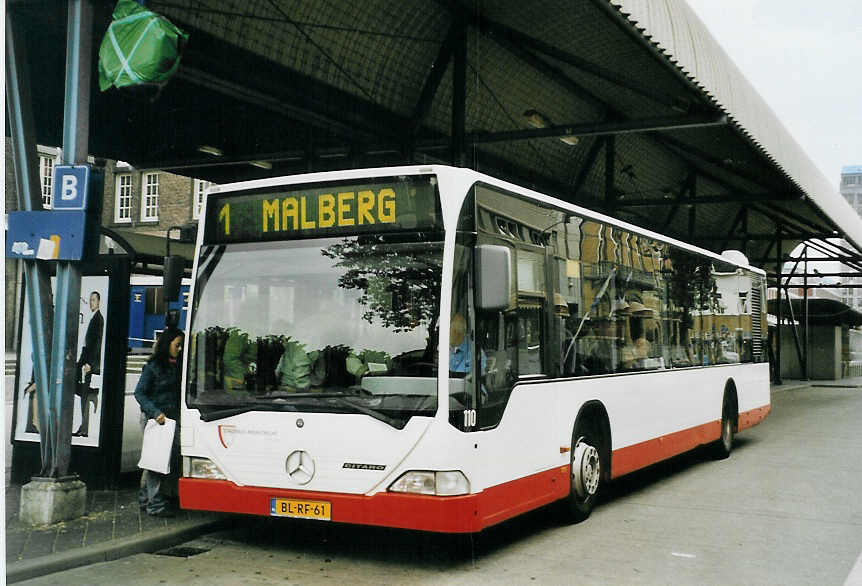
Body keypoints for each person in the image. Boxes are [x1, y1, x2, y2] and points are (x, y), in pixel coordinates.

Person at [134, 327, 184, 517]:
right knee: (157, 462)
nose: (179, 349)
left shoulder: (177, 365)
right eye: (177, 345)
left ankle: (146, 500)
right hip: (156, 419)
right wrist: (156, 413)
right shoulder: (153, 367)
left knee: (157, 461)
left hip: (169, 419)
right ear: (167, 344)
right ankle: (154, 504)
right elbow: (140, 393)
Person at [74, 291, 104, 437]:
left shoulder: (98, 319)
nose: (91, 303)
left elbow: (97, 344)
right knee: (80, 390)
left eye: (94, 300)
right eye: (90, 300)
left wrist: (90, 364)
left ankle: (84, 428)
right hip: (85, 360)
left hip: (89, 363)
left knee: (84, 393)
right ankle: (92, 396)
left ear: (99, 302)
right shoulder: (93, 318)